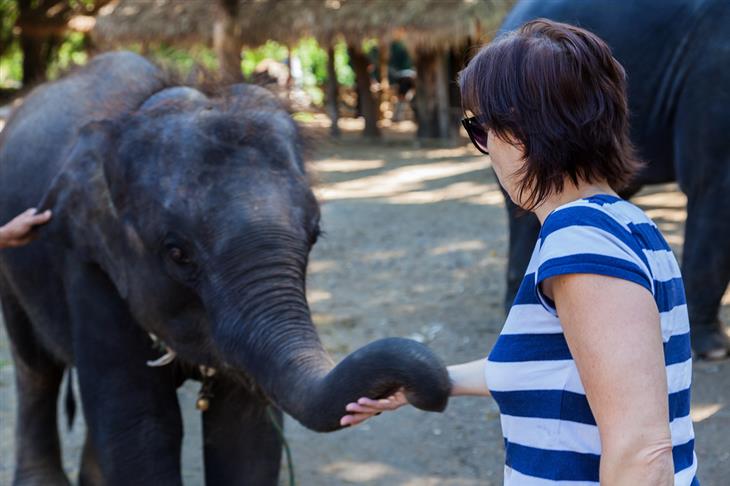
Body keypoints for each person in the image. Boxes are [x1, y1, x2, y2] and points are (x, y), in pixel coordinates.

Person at [340, 19, 699, 485]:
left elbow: (643, 451)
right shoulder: (626, 223)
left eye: (480, 129)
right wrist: (428, 382)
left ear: (527, 129)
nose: (485, 149)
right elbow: (561, 367)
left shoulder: (580, 241)